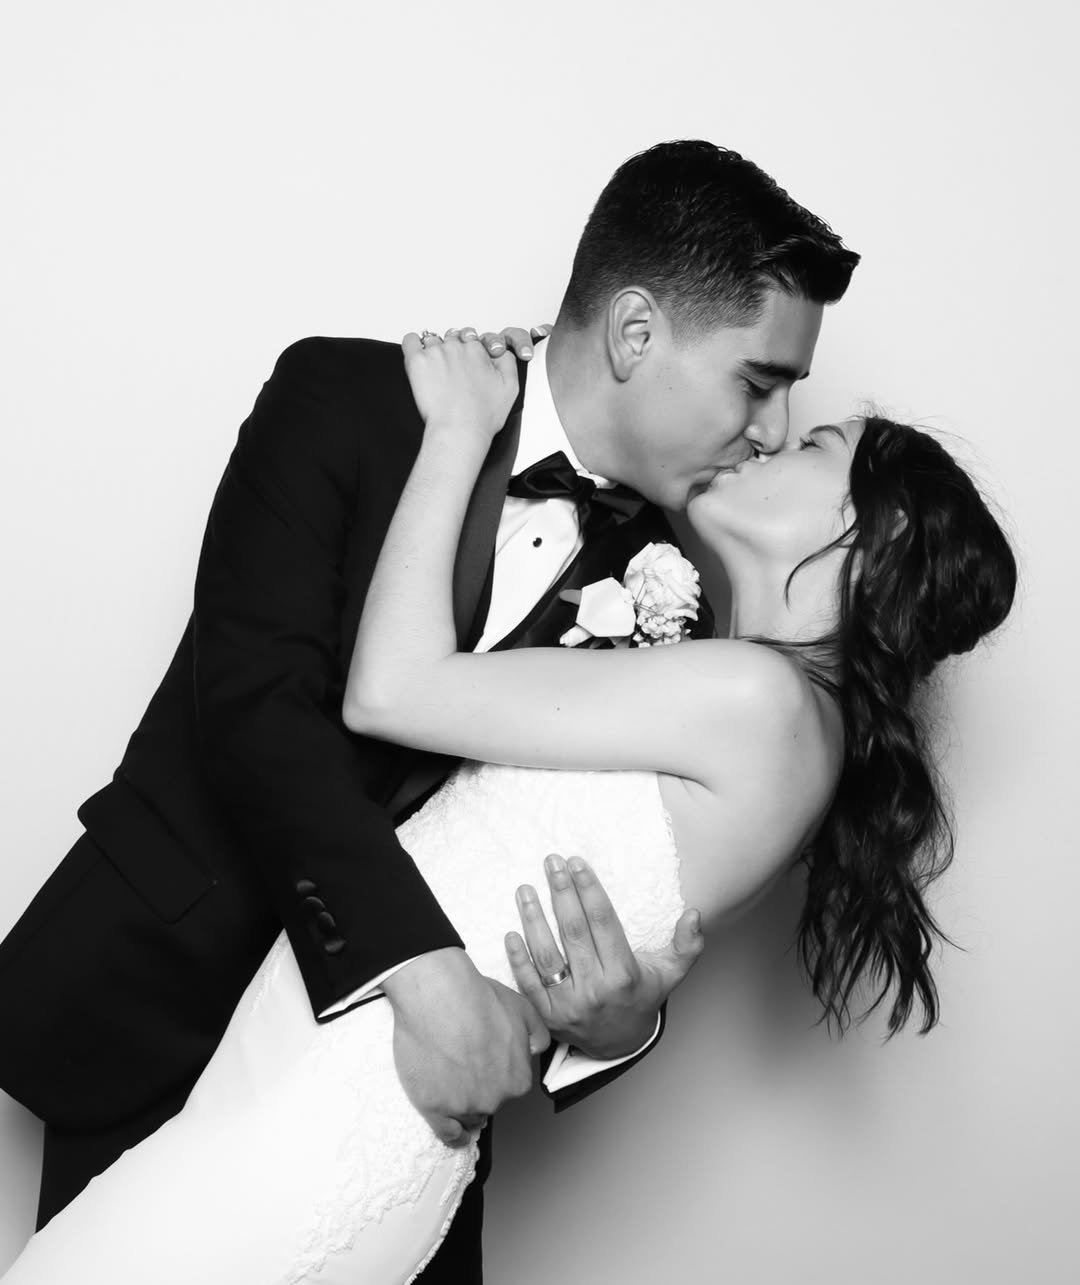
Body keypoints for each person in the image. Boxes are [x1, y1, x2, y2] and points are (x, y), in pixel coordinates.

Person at [0, 139, 859, 1279]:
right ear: (637, 331)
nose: (771, 427)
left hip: (406, 1110)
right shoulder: (353, 399)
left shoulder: (692, 595)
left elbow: (632, 874)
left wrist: (618, 1024)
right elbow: (254, 709)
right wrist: (423, 972)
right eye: (759, 381)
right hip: (171, 995)